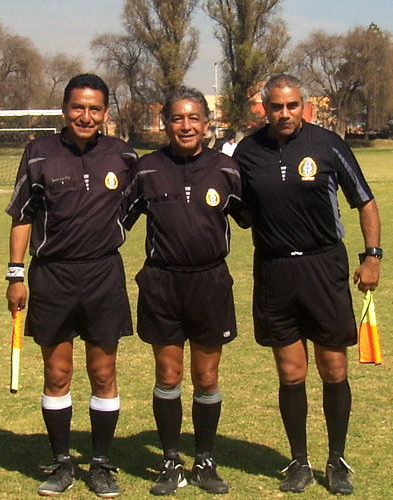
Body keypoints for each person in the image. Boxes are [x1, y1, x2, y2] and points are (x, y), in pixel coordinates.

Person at [233, 74, 382, 495]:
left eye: (292, 105)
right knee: (290, 371)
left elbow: (364, 201)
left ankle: (337, 460)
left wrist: (372, 256)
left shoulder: (328, 145)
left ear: (304, 106)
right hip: (274, 270)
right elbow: (238, 210)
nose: (285, 113)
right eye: (276, 106)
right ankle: (299, 461)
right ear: (265, 108)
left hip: (324, 265)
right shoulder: (247, 152)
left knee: (333, 367)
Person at [5, 74, 137, 498]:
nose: (86, 116)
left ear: (106, 113)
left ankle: (100, 465)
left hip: (103, 275)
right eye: (78, 107)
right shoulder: (39, 152)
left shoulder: (123, 154)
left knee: (103, 373)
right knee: (58, 373)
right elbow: (23, 215)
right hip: (53, 276)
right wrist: (15, 274)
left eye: (94, 109)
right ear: (64, 110)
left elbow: (141, 204)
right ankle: (62, 463)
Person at [123, 86, 249, 496]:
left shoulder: (227, 169)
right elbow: (116, 222)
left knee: (206, 376)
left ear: (207, 123)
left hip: (210, 281)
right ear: (165, 123)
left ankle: (205, 461)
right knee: (168, 374)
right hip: (162, 282)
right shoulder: (146, 170)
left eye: (194, 117)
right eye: (177, 118)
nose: (186, 125)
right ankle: (170, 461)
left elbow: (253, 216)